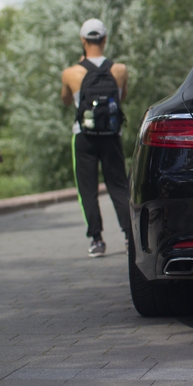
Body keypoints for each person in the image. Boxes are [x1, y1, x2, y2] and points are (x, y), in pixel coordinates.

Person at [61, 18, 131, 257]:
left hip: (84, 137)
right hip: (111, 135)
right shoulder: (119, 70)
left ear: (83, 40)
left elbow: (66, 100)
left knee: (87, 189)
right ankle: (129, 236)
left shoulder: (71, 73)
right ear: (105, 39)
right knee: (119, 185)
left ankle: (97, 240)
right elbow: (121, 99)